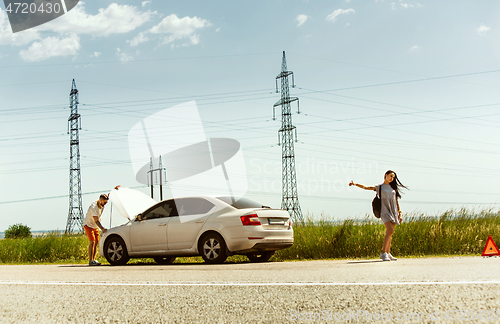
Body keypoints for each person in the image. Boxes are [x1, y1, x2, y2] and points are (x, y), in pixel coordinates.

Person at [349, 170, 408, 261]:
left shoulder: (393, 188)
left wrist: (399, 213)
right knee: (390, 230)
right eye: (391, 176)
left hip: (393, 212)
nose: (392, 178)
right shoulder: (379, 187)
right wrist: (355, 184)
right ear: (386, 175)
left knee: (390, 233)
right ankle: (383, 253)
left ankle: (388, 253)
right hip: (384, 211)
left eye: (393, 177)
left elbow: (396, 201)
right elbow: (366, 187)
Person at [83, 193, 109, 266]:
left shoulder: (102, 204)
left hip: (95, 226)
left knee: (96, 242)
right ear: (101, 200)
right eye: (105, 202)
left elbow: (108, 196)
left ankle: (93, 259)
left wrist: (114, 190)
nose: (105, 204)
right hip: (88, 225)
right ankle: (90, 260)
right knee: (92, 241)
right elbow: (96, 220)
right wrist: (102, 229)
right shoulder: (93, 207)